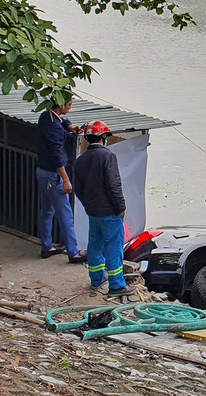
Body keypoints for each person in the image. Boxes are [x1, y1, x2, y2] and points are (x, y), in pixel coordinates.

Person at [71, 121, 129, 296]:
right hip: (109, 211)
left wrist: (88, 204)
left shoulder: (80, 161)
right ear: (104, 137)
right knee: (113, 246)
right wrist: (121, 207)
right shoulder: (107, 157)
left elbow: (78, 188)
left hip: (93, 212)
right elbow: (114, 186)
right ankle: (117, 285)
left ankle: (97, 279)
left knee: (95, 244)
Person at [36, 99, 85, 263]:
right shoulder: (55, 130)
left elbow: (61, 120)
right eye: (69, 105)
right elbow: (57, 156)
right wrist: (65, 179)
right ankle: (73, 252)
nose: (70, 108)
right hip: (53, 176)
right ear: (61, 104)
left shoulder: (45, 117)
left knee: (47, 211)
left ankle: (47, 246)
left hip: (42, 172)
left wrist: (70, 127)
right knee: (65, 214)